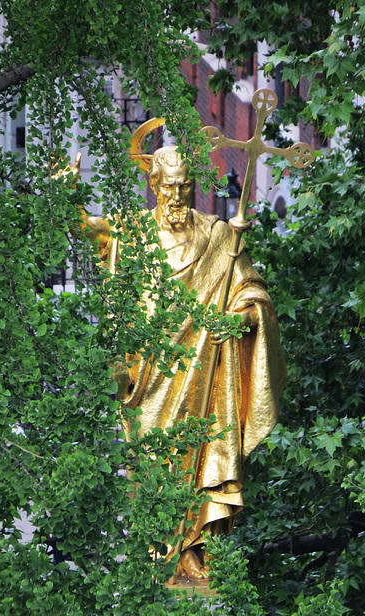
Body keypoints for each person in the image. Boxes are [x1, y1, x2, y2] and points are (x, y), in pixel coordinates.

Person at [82, 146, 286, 581]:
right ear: (153, 185)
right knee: (156, 463)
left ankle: (191, 549)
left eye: (185, 187)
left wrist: (242, 317)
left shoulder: (219, 236)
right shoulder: (133, 233)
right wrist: (64, 194)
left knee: (201, 455)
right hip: (151, 376)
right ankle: (158, 551)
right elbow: (86, 227)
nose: (177, 197)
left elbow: (254, 296)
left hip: (205, 366)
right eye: (168, 187)